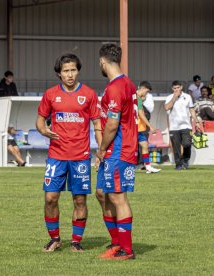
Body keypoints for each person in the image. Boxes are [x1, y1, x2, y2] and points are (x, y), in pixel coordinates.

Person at [36, 53, 101, 252]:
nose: (70, 74)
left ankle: (76, 241)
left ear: (78, 71)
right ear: (59, 74)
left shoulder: (89, 94)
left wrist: (100, 149)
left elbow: (97, 123)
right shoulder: (50, 94)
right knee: (50, 198)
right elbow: (40, 120)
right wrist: (43, 130)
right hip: (56, 155)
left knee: (79, 199)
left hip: (80, 156)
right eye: (66, 71)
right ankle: (54, 238)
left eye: (73, 70)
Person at [95, 43, 137, 260]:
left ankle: (126, 249)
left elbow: (112, 124)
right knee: (102, 194)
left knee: (118, 198)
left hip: (119, 150)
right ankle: (116, 243)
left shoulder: (117, 87)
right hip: (114, 150)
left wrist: (101, 149)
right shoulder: (127, 83)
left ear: (103, 62)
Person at [164, 80, 201, 170]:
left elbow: (191, 110)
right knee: (176, 147)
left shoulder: (187, 97)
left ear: (181, 87)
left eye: (178, 87)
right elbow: (166, 108)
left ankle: (185, 160)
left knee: (187, 143)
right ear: (172, 88)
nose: (176, 89)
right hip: (174, 126)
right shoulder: (169, 97)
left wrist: (196, 121)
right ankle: (178, 164)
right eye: (174, 88)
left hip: (186, 126)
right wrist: (174, 98)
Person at [136, 82, 160, 173]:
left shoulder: (137, 98)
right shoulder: (136, 98)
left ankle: (148, 167)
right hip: (133, 128)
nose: (146, 94)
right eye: (146, 92)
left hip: (139, 128)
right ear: (143, 89)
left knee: (145, 145)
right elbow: (141, 114)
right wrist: (150, 126)